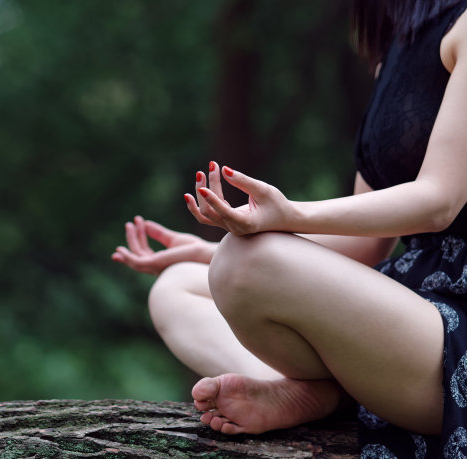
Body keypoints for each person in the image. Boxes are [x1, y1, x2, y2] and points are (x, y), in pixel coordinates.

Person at [112, 0, 467, 456]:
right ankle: (307, 394)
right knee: (178, 286)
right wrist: (216, 245)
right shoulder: (395, 55)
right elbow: (364, 242)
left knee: (245, 263)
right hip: (411, 310)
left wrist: (288, 216)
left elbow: (439, 201)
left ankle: (325, 394)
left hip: (453, 330)